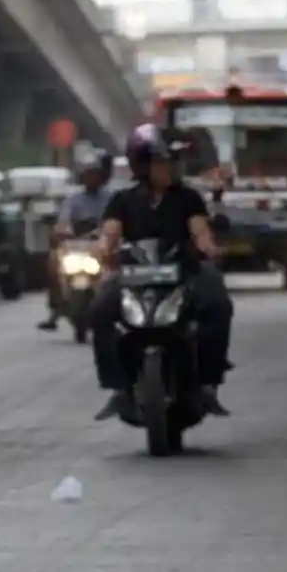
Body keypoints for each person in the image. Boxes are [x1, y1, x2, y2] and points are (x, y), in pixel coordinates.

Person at [90, 124, 233, 421]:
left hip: (184, 271)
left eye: (172, 162)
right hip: (134, 273)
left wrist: (209, 248)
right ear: (143, 166)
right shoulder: (123, 200)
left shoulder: (188, 198)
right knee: (100, 310)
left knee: (218, 304)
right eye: (163, 162)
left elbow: (200, 231)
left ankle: (209, 383)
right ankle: (117, 386)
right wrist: (103, 249)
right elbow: (110, 234)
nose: (171, 169)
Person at [37, 152, 112, 331]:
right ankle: (56, 306)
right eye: (88, 174)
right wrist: (61, 231)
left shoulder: (110, 199)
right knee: (53, 261)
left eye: (94, 174)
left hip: (99, 244)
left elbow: (114, 222)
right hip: (75, 245)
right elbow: (63, 222)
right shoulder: (72, 200)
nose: (91, 178)